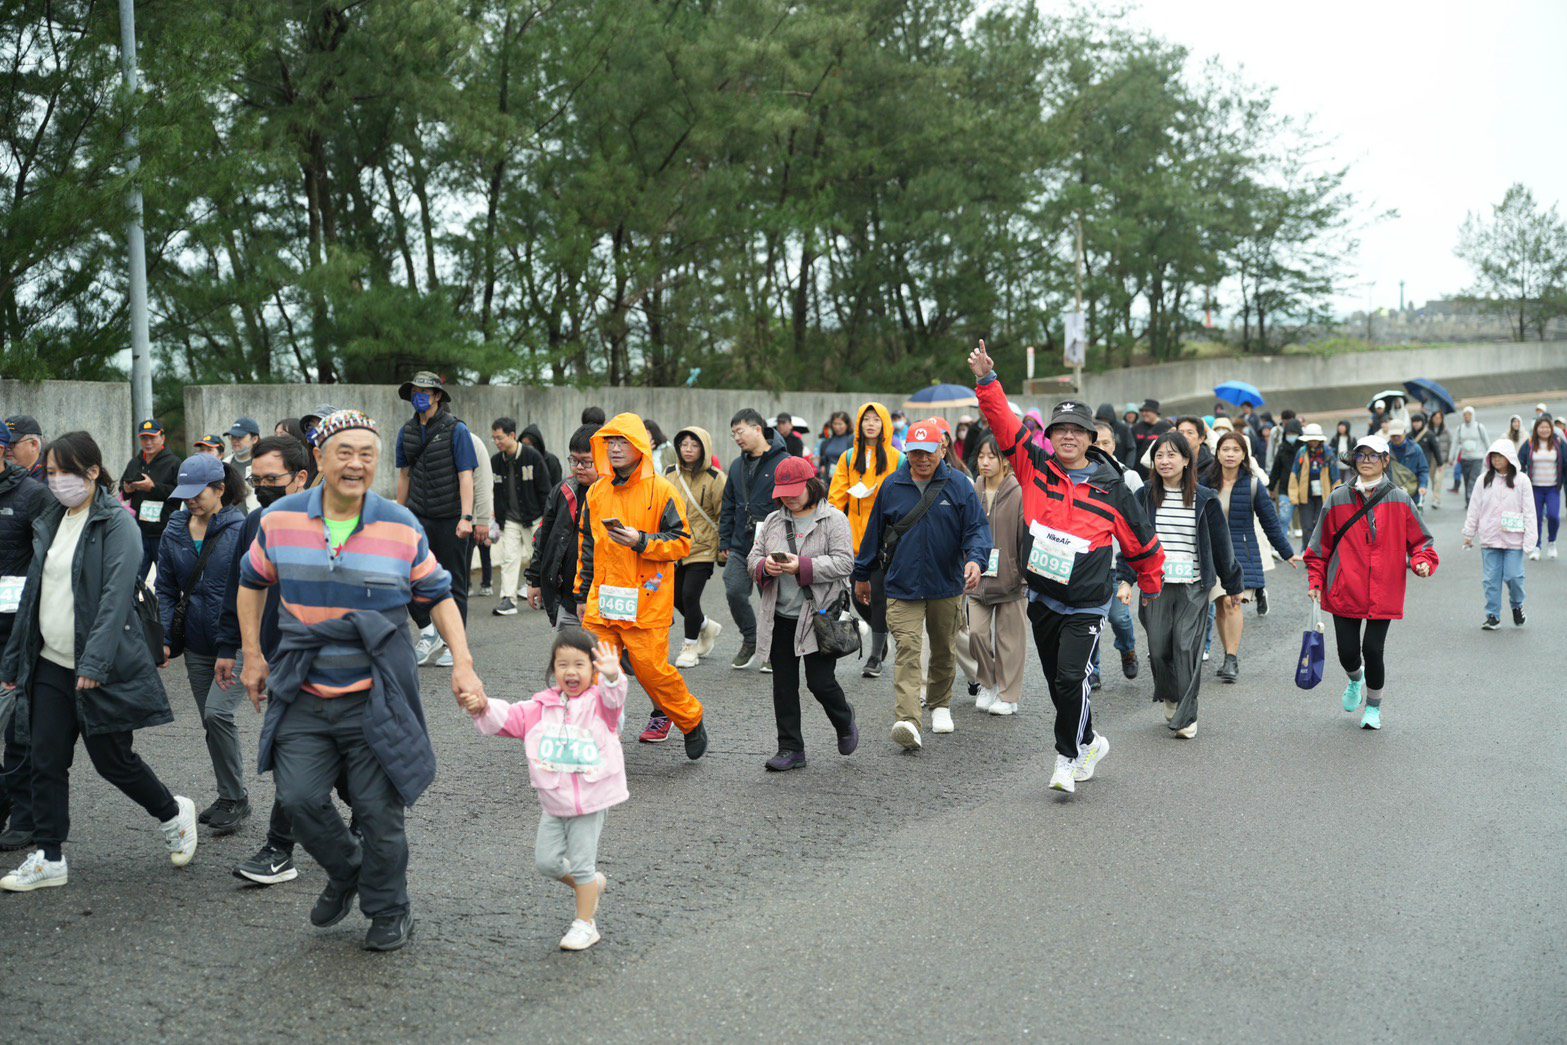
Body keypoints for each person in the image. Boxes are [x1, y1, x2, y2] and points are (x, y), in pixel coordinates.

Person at [240, 409, 485, 952]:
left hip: (377, 692)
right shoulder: (278, 519)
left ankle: (389, 909)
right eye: (343, 453)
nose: (355, 464)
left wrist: (463, 661)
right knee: (299, 799)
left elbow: (438, 595)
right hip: (302, 687)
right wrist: (253, 653)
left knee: (379, 813)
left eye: (366, 454)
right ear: (319, 460)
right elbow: (252, 581)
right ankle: (349, 869)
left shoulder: (401, 524)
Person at [0, 431, 198, 892]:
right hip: (50, 660)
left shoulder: (116, 524)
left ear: (92, 472)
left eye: (64, 472)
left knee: (114, 761)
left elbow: (113, 601)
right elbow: (34, 595)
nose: (55, 482)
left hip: (99, 665)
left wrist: (94, 663)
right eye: (49, 473)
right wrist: (14, 663)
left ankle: (173, 813)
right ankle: (49, 856)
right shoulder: (51, 517)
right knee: (45, 758)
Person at [970, 341, 1164, 794]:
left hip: (1086, 603)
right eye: (1061, 430)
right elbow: (1004, 424)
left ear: (1091, 438)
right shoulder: (1033, 466)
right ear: (1050, 436)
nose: (1069, 437)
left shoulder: (1112, 488)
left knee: (1072, 677)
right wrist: (986, 381)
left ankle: (1067, 757)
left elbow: (1141, 544)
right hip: (1041, 596)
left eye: (1078, 430)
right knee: (1063, 683)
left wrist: (1150, 587)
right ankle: (1091, 740)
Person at [458, 631, 625, 952]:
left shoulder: (600, 704)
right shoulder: (540, 706)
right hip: (554, 801)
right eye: (563, 665)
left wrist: (613, 675)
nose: (571, 672)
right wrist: (480, 705)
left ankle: (585, 923)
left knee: (582, 864)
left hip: (590, 801)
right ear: (553, 669)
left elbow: (615, 697)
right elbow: (506, 716)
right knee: (547, 863)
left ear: (592, 670)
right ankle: (590, 886)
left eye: (579, 664)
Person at [213, 435, 326, 886]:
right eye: (255, 479)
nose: (261, 487)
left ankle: (282, 846)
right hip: (276, 656)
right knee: (297, 751)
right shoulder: (256, 521)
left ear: (301, 476)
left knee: (303, 752)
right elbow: (239, 587)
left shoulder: (331, 523)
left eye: (270, 479)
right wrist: (235, 649)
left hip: (327, 659)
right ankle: (349, 827)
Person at [574, 413, 709, 759]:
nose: (615, 448)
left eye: (623, 442)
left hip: (646, 601)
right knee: (591, 671)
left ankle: (691, 720)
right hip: (602, 601)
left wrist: (641, 540)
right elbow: (587, 546)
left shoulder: (662, 490)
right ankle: (596, 739)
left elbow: (681, 543)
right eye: (610, 442)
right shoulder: (596, 492)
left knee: (652, 673)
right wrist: (581, 591)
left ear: (639, 447)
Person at [852, 419, 990, 751]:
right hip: (902, 584)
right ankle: (908, 720)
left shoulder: (959, 485)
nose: (923, 459)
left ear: (942, 450)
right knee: (908, 650)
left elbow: (977, 530)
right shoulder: (891, 486)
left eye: (929, 452)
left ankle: (941, 704)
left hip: (947, 583)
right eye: (916, 453)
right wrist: (861, 575)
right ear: (907, 452)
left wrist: (975, 560)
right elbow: (873, 536)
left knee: (944, 648)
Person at [1305, 434, 1438, 731]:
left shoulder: (1400, 500)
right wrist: (1315, 580)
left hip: (1384, 587)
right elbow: (1319, 547)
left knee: (1373, 649)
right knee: (1347, 653)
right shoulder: (1338, 497)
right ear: (1354, 460)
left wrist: (1422, 561)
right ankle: (1355, 680)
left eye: (1373, 456)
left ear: (1385, 461)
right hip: (1344, 587)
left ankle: (1374, 708)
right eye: (1361, 455)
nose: (1366, 461)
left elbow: (1421, 541)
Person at [155, 455, 253, 836]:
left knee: (218, 714)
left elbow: (253, 588)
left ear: (220, 490)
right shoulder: (175, 527)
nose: (190, 501)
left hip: (238, 642)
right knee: (211, 723)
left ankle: (236, 797)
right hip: (196, 642)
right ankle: (231, 795)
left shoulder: (241, 529)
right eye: (186, 494)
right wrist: (164, 636)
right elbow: (164, 588)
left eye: (198, 494)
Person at [1121, 433, 1242, 739]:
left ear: (1187, 460)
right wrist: (1125, 578)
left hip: (1193, 584)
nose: (1165, 461)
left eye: (1172, 455)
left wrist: (1232, 585)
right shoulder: (1144, 496)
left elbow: (1221, 544)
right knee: (1159, 647)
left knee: (1185, 647)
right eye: (1159, 455)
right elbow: (1132, 541)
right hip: (1155, 584)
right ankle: (1172, 697)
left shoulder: (1205, 498)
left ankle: (1187, 715)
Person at [749, 457, 858, 770]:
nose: (789, 497)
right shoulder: (772, 520)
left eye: (795, 490)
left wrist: (803, 566)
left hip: (821, 613)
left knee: (820, 682)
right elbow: (753, 557)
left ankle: (844, 719)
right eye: (783, 491)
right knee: (783, 684)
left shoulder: (833, 520)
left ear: (812, 484)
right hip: (781, 614)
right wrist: (763, 566)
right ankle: (790, 749)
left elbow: (844, 563)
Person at [395, 372, 479, 668]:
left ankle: (453, 645)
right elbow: (404, 474)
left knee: (454, 583)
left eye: (425, 391)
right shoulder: (406, 432)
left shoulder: (456, 430)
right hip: (418, 515)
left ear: (437, 396)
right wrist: (399, 513)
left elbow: (465, 475)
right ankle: (428, 630)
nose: (419, 396)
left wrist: (466, 517)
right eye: (415, 390)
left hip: (450, 517)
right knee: (406, 576)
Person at [1202, 431, 1299, 683]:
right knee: (1220, 605)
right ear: (1218, 453)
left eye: (1236, 450)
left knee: (1231, 602)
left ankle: (1231, 658)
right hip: (1212, 551)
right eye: (1225, 449)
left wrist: (1287, 552)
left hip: (1241, 551)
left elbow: (1270, 521)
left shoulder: (1253, 484)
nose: (1230, 454)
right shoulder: (1205, 481)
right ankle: (1228, 653)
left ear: (1244, 454)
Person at [828, 403, 902, 679]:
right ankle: (881, 636)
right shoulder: (849, 457)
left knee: (879, 594)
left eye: (876, 419)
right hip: (853, 539)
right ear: (859, 425)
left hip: (885, 539)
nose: (871, 424)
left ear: (884, 424)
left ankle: (875, 655)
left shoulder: (897, 458)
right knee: (858, 597)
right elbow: (836, 497)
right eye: (866, 420)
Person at [0, 420, 47, 851]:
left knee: (19, 726)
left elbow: (47, 563)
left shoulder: (31, 495)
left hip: (16, 630)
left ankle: (26, 816)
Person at [717, 409, 789, 671]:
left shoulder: (784, 462)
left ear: (757, 429)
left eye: (740, 431)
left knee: (773, 599)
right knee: (734, 589)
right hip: (740, 542)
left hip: (773, 544)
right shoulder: (737, 465)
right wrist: (724, 540)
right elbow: (728, 504)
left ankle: (771, 650)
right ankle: (750, 638)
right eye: (733, 433)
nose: (736, 437)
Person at [968, 434, 1028, 716]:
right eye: (981, 456)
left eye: (992, 457)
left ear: (1005, 461)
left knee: (1009, 640)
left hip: (1010, 579)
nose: (985, 462)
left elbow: (1024, 536)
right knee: (977, 635)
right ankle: (988, 683)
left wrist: (1022, 575)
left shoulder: (1018, 490)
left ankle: (1008, 694)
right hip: (978, 577)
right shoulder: (976, 486)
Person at [527, 426, 599, 630]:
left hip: (600, 599)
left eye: (586, 462)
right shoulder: (562, 491)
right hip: (566, 598)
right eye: (573, 460)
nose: (578, 467)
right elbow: (543, 537)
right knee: (569, 658)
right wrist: (534, 580)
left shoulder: (614, 495)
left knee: (602, 659)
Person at [666, 427, 726, 670]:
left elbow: (724, 513)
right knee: (674, 596)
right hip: (674, 545)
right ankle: (705, 626)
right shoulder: (670, 473)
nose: (688, 449)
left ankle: (690, 646)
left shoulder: (716, 478)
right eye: (684, 445)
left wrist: (723, 546)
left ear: (704, 448)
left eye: (694, 445)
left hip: (703, 546)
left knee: (690, 595)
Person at [1089, 421, 1142, 685]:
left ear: (1114, 445)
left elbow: (1140, 523)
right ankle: (1093, 670)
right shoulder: (1081, 476)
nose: (1100, 448)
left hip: (1120, 563)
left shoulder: (1129, 477)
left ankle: (1128, 649)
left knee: (1119, 617)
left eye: (1105, 443)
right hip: (1089, 563)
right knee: (1091, 620)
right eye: (1095, 443)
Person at [1463, 440, 1535, 630]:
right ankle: (1492, 615)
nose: (1496, 460)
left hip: (1514, 539)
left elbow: (1529, 512)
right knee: (1490, 580)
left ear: (1509, 458)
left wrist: (1530, 541)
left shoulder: (1522, 481)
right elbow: (1474, 508)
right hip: (1490, 538)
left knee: (1514, 577)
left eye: (1500, 456)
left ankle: (1517, 606)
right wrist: (1469, 532)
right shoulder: (1483, 479)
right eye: (1493, 456)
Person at [488, 417, 552, 617]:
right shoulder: (496, 461)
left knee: (541, 557)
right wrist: (496, 519)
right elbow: (495, 492)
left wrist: (547, 519)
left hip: (535, 518)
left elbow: (545, 490)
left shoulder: (532, 457)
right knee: (509, 558)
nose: (497, 442)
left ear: (512, 436)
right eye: (494, 439)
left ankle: (547, 595)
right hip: (510, 520)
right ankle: (508, 599)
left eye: (500, 438)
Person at [120, 418, 182, 584]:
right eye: (144, 438)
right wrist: (127, 489)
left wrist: (152, 488)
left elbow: (179, 495)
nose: (148, 442)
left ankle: (163, 610)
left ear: (162, 437)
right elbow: (123, 489)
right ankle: (137, 608)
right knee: (133, 580)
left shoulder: (174, 463)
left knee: (166, 581)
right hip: (138, 531)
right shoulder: (135, 462)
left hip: (163, 532)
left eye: (152, 437)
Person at [1517, 416, 1564, 561]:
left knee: (1553, 516)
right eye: (1541, 427)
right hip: (1534, 488)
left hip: (1552, 488)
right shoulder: (1530, 443)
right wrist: (1520, 478)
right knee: (1535, 518)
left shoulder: (1558, 443)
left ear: (1551, 429)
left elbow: (1566, 462)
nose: (1544, 430)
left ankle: (1552, 542)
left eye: (1547, 427)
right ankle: (1536, 546)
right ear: (1536, 429)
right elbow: (1520, 462)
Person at [1286, 423, 1340, 545]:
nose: (1313, 442)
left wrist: (1336, 496)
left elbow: (1335, 477)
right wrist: (1294, 496)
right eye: (1310, 440)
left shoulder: (1328, 453)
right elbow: (1294, 474)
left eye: (1315, 439)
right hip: (1306, 495)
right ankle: (1307, 553)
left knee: (1321, 526)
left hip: (1323, 495)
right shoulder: (1302, 452)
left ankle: (1320, 554)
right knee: (1307, 526)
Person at [1450, 406, 1490, 505]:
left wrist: (1490, 455)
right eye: (1465, 415)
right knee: (1467, 480)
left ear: (1473, 415)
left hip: (1477, 458)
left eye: (1469, 414)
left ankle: (1472, 501)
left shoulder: (1479, 427)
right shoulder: (1460, 429)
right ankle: (1468, 501)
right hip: (1464, 458)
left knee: (1473, 479)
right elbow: (1454, 443)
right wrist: (1451, 457)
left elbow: (1486, 442)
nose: (1467, 417)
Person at [1387, 420, 1431, 506]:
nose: (1395, 437)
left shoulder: (1416, 449)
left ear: (1404, 433)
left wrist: (1423, 485)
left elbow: (1423, 469)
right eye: (1393, 435)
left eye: (1398, 435)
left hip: (1412, 494)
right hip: (1391, 496)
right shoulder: (1385, 451)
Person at [224, 417, 263, 512]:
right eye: (232, 436)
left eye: (240, 437)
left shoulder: (263, 464)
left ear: (254, 439)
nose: (234, 440)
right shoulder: (224, 464)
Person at [1131, 398, 1171, 475]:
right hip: (1138, 470)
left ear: (1155, 412)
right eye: (1142, 411)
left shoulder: (1166, 427)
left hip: (1158, 469)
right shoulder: (1136, 428)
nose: (1143, 414)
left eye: (1147, 411)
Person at [4, 415, 44, 481]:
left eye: (12, 443)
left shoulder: (52, 477)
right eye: (4, 443)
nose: (6, 449)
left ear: (33, 444)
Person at [1095, 404, 1136, 469]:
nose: (1104, 422)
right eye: (1101, 420)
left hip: (1120, 465)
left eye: (1106, 420)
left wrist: (1128, 466)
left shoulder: (1123, 428)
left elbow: (1131, 448)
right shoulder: (1094, 428)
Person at [817, 412, 854, 481]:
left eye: (840, 424)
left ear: (847, 425)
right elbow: (823, 461)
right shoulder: (827, 442)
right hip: (829, 480)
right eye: (835, 424)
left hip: (845, 479)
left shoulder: (852, 440)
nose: (837, 427)